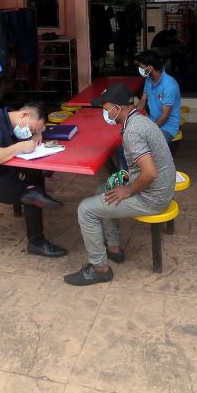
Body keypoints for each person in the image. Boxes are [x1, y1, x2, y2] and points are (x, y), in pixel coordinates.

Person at [64, 83, 176, 286]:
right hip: (161, 189)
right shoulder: (140, 119)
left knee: (86, 209)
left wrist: (129, 189)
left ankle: (99, 269)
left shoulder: (132, 132)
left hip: (153, 198)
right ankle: (113, 249)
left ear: (118, 108)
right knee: (102, 190)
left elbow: (149, 172)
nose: (104, 113)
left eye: (106, 109)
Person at [0, 102, 67, 258]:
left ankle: (41, 198)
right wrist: (21, 146)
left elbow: (25, 134)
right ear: (24, 115)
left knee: (34, 174)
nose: (31, 133)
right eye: (32, 129)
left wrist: (36, 133)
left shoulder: (8, 115)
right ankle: (36, 243)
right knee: (32, 194)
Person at [134, 49, 181, 142]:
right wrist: (134, 116)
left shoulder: (169, 85)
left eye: (141, 66)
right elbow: (143, 101)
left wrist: (150, 131)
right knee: (128, 139)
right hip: (152, 121)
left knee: (147, 144)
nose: (140, 69)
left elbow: (165, 116)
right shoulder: (149, 79)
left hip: (168, 127)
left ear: (150, 68)